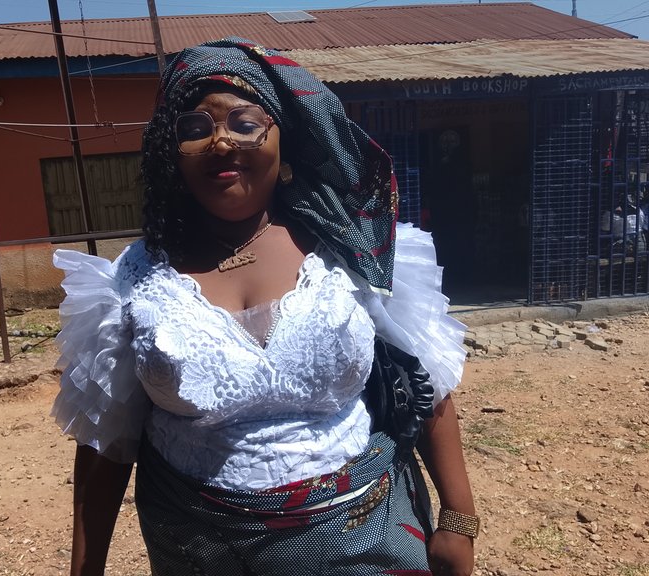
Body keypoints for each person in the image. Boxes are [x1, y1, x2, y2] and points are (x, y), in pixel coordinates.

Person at [53, 38, 476, 576]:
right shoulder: (132, 282)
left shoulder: (353, 253)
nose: (220, 142)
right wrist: (85, 567)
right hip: (197, 551)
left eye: (245, 123)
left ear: (284, 137)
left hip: (366, 536)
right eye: (195, 128)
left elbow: (427, 383)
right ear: (171, 151)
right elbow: (105, 440)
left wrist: (458, 518)